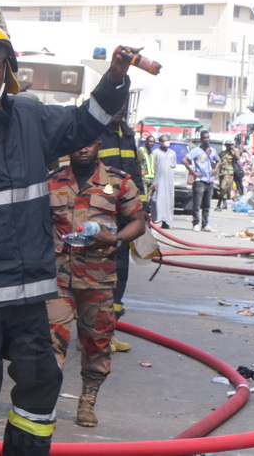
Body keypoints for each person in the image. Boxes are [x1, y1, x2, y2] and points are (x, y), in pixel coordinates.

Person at [0, 19, 133, 456]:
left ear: (8, 66)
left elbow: (84, 123)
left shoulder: (31, 115)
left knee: (42, 378)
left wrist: (114, 78)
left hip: (31, 289)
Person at [47, 138, 144, 428]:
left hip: (98, 276)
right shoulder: (51, 181)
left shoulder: (118, 181)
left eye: (89, 143)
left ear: (98, 145)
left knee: (97, 342)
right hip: (57, 275)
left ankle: (88, 399)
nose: (83, 148)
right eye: (77, 143)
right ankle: (44, 400)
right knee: (49, 339)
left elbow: (138, 221)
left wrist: (114, 239)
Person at [97, 105, 149, 352]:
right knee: (98, 275)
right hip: (102, 209)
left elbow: (135, 174)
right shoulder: (93, 132)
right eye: (114, 107)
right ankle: (90, 333)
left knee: (119, 272)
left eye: (122, 108)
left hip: (126, 211)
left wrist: (144, 206)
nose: (119, 111)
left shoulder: (127, 135)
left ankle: (109, 332)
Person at [182, 130, 220, 232]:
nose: (207, 140)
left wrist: (215, 169)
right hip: (200, 180)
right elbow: (184, 160)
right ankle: (196, 224)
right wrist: (193, 172)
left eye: (208, 138)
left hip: (210, 181)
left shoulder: (212, 150)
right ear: (201, 139)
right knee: (197, 204)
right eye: (204, 138)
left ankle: (205, 225)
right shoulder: (196, 151)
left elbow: (218, 161)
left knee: (207, 204)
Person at [151, 134, 176, 229]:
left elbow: (172, 166)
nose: (167, 142)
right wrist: (153, 180)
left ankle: (166, 221)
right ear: (160, 143)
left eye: (168, 140)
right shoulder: (155, 153)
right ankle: (155, 220)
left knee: (168, 200)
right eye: (165, 141)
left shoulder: (172, 153)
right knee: (156, 199)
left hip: (169, 182)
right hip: (158, 180)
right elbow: (153, 167)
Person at [216, 139, 238, 210]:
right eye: (227, 145)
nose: (228, 147)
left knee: (223, 187)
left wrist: (233, 150)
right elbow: (218, 161)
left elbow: (238, 158)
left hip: (229, 172)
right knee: (222, 188)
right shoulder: (222, 153)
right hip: (222, 172)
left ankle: (219, 204)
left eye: (230, 145)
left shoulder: (233, 153)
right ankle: (224, 204)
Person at [138, 134, 156, 201]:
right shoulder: (141, 150)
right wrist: (140, 171)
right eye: (150, 141)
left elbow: (153, 165)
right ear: (146, 141)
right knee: (143, 199)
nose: (152, 143)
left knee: (148, 199)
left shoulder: (151, 153)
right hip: (144, 178)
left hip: (151, 179)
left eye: (153, 142)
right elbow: (136, 162)